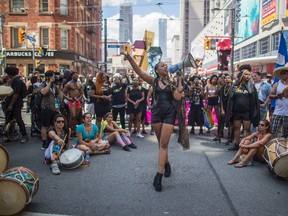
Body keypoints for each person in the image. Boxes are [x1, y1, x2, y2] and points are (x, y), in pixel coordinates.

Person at [122, 51, 183, 192]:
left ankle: (158, 176)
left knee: (163, 144)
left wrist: (179, 80)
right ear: (157, 70)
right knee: (161, 145)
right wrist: (130, 58)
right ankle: (166, 164)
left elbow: (178, 98)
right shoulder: (153, 81)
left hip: (169, 113)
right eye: (162, 65)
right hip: (156, 113)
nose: (165, 67)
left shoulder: (171, 82)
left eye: (166, 65)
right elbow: (138, 71)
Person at [225, 64, 260, 150]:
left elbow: (255, 101)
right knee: (237, 128)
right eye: (246, 74)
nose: (248, 76)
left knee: (247, 129)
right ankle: (236, 144)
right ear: (241, 75)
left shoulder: (251, 86)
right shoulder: (235, 85)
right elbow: (230, 98)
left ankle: (245, 145)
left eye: (249, 74)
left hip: (247, 112)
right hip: (236, 112)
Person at [39, 70, 64, 149]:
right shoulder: (43, 84)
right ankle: (44, 142)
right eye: (52, 76)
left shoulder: (54, 87)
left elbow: (60, 97)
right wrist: (49, 83)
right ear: (48, 77)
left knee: (55, 125)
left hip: (54, 109)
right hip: (46, 108)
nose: (54, 78)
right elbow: (43, 92)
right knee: (45, 126)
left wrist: (59, 87)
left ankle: (54, 140)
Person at [4, 67, 29, 143]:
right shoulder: (13, 80)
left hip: (16, 103)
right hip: (11, 102)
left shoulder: (16, 81)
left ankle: (24, 135)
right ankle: (9, 134)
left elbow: (16, 94)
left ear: (9, 73)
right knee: (9, 118)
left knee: (18, 119)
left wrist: (11, 105)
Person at [269, 64, 288, 138]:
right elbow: (270, 96)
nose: (283, 74)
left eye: (285, 73)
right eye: (282, 73)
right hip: (278, 111)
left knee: (286, 133)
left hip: (287, 113)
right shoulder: (277, 84)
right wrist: (277, 96)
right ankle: (274, 147)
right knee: (274, 130)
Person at [63, 72, 84, 136]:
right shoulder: (68, 84)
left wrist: (79, 99)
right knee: (73, 115)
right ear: (72, 76)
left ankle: (73, 131)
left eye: (77, 75)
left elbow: (82, 93)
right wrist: (68, 98)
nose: (76, 76)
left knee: (77, 117)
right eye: (74, 75)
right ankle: (69, 131)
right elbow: (63, 92)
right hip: (71, 101)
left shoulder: (79, 84)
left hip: (77, 101)